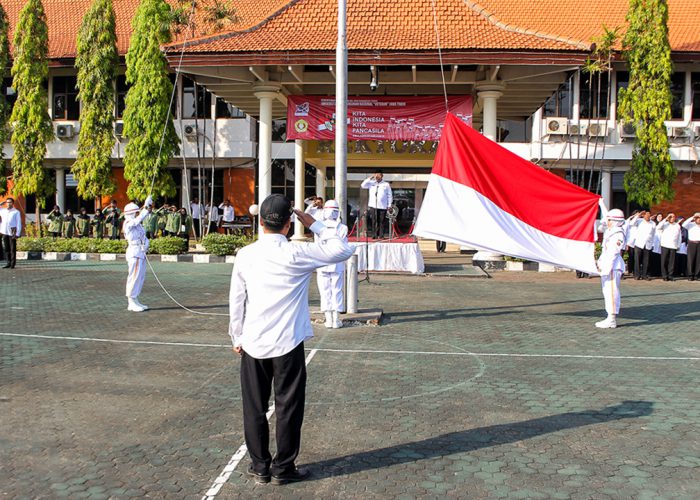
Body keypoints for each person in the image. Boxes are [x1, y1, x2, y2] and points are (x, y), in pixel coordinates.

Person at [228, 194, 353, 485]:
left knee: (254, 407)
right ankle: (284, 468)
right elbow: (341, 250)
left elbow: (237, 300)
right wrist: (315, 225)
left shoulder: (246, 255)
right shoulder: (297, 253)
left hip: (254, 341)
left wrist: (237, 335)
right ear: (288, 224)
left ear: (260, 222)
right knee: (289, 406)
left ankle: (260, 466)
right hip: (288, 342)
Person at [315, 200, 349, 329]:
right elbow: (343, 246)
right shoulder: (343, 228)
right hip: (337, 263)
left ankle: (328, 319)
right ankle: (336, 319)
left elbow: (317, 246)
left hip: (322, 262)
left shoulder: (318, 226)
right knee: (337, 290)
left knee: (324, 291)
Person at [595, 208, 626, 329]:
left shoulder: (618, 234)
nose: (607, 222)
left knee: (612, 291)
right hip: (607, 265)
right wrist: (602, 203)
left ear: (614, 221)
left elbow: (613, 252)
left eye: (609, 220)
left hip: (613, 266)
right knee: (607, 291)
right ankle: (609, 316)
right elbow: (602, 223)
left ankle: (612, 319)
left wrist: (606, 267)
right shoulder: (611, 231)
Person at [123, 196, 153, 312]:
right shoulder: (128, 223)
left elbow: (142, 234)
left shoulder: (138, 223)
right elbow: (138, 219)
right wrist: (145, 207)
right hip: (134, 252)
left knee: (140, 277)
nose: (137, 214)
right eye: (135, 212)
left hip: (141, 252)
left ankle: (135, 299)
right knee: (134, 277)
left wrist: (146, 243)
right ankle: (131, 301)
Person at [361, 170, 393, 239]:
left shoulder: (386, 184)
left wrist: (389, 205)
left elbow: (389, 195)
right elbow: (363, 185)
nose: (377, 176)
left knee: (381, 221)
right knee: (374, 221)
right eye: (376, 175)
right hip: (373, 205)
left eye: (379, 175)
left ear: (382, 176)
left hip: (383, 206)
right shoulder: (371, 183)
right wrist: (371, 177)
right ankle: (374, 235)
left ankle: (381, 235)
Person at [657, 213, 682, 281]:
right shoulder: (665, 224)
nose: (672, 218)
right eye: (671, 217)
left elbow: (679, 236)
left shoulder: (677, 225)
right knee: (664, 261)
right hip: (665, 245)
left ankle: (670, 275)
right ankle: (664, 275)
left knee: (672, 262)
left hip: (673, 245)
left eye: (674, 216)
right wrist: (666, 218)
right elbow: (658, 227)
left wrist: (678, 245)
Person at [630, 211, 655, 280]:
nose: (647, 216)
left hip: (648, 244)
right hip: (639, 243)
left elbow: (653, 234)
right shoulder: (639, 221)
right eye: (646, 215)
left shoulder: (653, 223)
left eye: (649, 214)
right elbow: (631, 223)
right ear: (643, 216)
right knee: (637, 260)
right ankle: (637, 275)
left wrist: (652, 244)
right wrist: (638, 215)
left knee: (646, 260)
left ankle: (644, 275)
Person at [0, 198, 22, 269]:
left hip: (12, 232)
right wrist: (1, 203)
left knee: (12, 248)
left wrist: (17, 233)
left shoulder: (16, 212)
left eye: (10, 202)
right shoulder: (3, 211)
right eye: (7, 202)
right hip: (4, 231)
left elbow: (19, 223)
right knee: (6, 248)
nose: (8, 204)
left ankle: (12, 264)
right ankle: (8, 263)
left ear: (13, 203)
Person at [682, 212, 700, 281]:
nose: (699, 219)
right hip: (692, 243)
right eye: (697, 218)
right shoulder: (690, 224)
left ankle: (696, 275)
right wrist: (692, 217)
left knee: (698, 260)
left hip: (699, 243)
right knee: (690, 260)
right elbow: (684, 224)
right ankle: (690, 275)